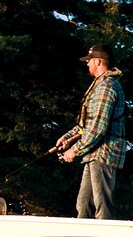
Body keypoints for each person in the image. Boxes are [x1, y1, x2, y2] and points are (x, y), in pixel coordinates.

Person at [54, 45, 128, 218]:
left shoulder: (106, 88)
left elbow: (97, 128)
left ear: (98, 61)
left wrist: (74, 150)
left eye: (89, 61)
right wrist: (67, 138)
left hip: (103, 154)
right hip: (93, 154)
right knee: (83, 204)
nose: (87, 64)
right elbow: (86, 124)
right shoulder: (99, 85)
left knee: (102, 206)